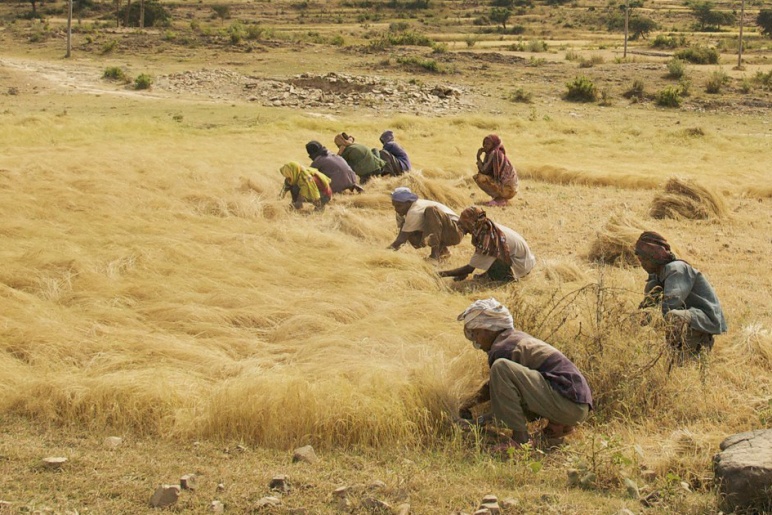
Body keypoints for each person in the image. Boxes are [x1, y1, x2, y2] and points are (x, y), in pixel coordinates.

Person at [457, 298, 593, 451]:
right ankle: (559, 426)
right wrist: (479, 420)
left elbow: (494, 390)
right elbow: (512, 398)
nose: (476, 341)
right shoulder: (513, 339)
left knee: (500, 367)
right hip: (576, 405)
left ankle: (520, 439)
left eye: (476, 333)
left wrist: (466, 404)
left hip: (568, 404)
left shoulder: (503, 349)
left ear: (489, 329)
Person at [634, 231, 727, 362]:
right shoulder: (656, 275)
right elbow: (648, 306)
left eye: (644, 259)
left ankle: (684, 354)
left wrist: (650, 319)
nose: (642, 264)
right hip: (689, 315)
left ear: (654, 256)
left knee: (674, 317)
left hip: (704, 317)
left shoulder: (676, 269)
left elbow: (670, 304)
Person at [439, 207, 535, 283]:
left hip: (522, 266)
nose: (465, 229)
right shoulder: (487, 227)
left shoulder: (488, 237)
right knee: (487, 258)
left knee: (490, 258)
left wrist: (440, 274)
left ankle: (507, 278)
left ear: (472, 223)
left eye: (465, 225)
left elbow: (469, 268)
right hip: (524, 261)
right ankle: (491, 275)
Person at [387, 187, 463, 260]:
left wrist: (385, 253)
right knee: (408, 229)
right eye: (394, 206)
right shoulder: (403, 212)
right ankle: (443, 251)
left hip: (455, 232)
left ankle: (434, 256)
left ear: (408, 202)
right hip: (444, 232)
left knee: (431, 211)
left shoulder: (414, 211)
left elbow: (401, 240)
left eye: (399, 206)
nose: (396, 209)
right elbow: (402, 234)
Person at [474, 134, 519, 207]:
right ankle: (500, 198)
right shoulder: (495, 153)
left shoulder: (494, 153)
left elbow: (484, 170)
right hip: (512, 189)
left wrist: (478, 157)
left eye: (488, 144)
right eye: (484, 143)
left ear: (494, 144)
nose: (485, 146)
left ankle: (500, 199)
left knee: (479, 178)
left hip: (507, 189)